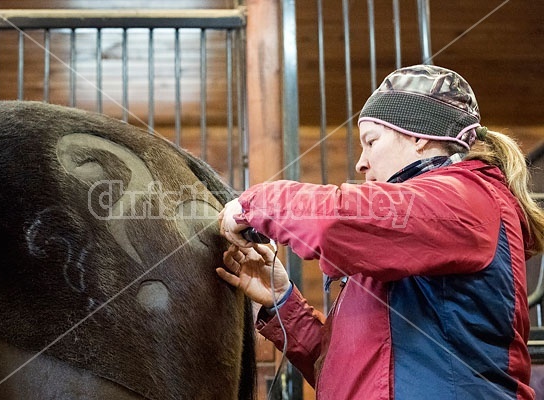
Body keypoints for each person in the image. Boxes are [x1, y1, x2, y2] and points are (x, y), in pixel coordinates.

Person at [216, 64, 544, 400]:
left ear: (419, 136)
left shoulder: (467, 199)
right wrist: (283, 300)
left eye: (371, 141)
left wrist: (253, 203)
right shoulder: (405, 236)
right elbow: (348, 374)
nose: (361, 163)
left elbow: (334, 218)